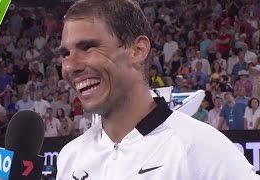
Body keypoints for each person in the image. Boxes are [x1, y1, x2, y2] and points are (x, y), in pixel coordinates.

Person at [56, 0, 259, 179]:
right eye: (66, 53)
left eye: (88, 47)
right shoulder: (71, 157)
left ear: (138, 50)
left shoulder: (202, 149)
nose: (70, 66)